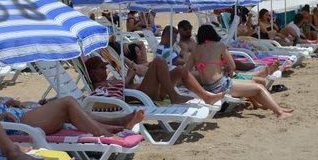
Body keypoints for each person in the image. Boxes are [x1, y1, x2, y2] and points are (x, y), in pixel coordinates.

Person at [0, 78, 145, 138]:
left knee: (73, 108)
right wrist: (4, 113)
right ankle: (105, 135)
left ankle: (117, 122)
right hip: (23, 124)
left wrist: (16, 103)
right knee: (68, 102)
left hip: (27, 115)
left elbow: (21, 104)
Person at [185, 25, 293, 119]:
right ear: (213, 34)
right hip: (221, 86)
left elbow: (185, 71)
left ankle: (277, 108)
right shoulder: (219, 45)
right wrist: (222, 68)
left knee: (255, 85)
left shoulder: (195, 50)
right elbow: (232, 65)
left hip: (207, 88)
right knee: (259, 87)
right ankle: (279, 112)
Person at [86, 53, 225, 106]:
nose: (105, 70)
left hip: (144, 90)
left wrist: (129, 77)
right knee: (158, 61)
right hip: (141, 95)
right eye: (101, 68)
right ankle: (174, 96)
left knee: (180, 71)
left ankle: (206, 97)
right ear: (93, 72)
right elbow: (117, 97)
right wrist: (128, 77)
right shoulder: (99, 88)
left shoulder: (108, 81)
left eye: (104, 67)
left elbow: (122, 88)